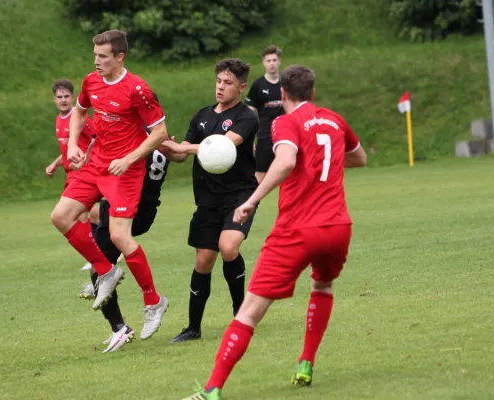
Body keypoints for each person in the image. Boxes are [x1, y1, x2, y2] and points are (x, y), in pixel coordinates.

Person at [181, 65, 367, 400]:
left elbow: (284, 161)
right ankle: (306, 363)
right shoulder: (334, 119)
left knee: (250, 309)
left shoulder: (285, 121)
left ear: (282, 94)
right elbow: (360, 158)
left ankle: (212, 390)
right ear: (311, 92)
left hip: (297, 230)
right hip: (338, 227)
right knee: (322, 285)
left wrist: (253, 199)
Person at [50, 29, 169, 341]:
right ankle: (105, 271)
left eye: (103, 56)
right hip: (96, 163)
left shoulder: (138, 90)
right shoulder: (91, 81)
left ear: (120, 57)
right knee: (60, 216)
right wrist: (74, 144)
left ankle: (153, 301)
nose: (96, 61)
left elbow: (159, 134)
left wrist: (129, 159)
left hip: (126, 171)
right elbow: (79, 112)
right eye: (95, 55)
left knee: (118, 235)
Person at [159, 58, 259, 344]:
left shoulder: (247, 117)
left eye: (228, 83)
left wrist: (184, 147)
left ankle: (241, 314)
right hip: (207, 199)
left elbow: (223, 146)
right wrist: (165, 146)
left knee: (228, 247)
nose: (221, 87)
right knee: (203, 260)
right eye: (218, 81)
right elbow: (181, 154)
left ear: (241, 87)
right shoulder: (202, 115)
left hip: (240, 196)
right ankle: (193, 328)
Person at [84, 146, 182, 352]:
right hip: (143, 208)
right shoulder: (158, 140)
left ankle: (120, 327)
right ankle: (121, 325)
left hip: (129, 204)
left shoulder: (133, 141)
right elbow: (177, 154)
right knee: (101, 266)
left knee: (100, 268)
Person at [46, 78, 98, 228]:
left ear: (73, 97)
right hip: (72, 175)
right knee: (78, 219)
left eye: (66, 96)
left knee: (77, 218)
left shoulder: (81, 118)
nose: (63, 100)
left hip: (85, 173)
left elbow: (98, 141)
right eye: (60, 97)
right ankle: (106, 241)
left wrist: (85, 160)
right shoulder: (58, 119)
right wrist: (54, 165)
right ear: (54, 99)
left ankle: (110, 238)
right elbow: (68, 150)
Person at [245, 45, 284, 183]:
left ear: (279, 62)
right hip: (265, 134)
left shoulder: (286, 82)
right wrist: (249, 137)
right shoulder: (258, 85)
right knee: (260, 174)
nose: (272, 63)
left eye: (274, 60)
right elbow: (249, 112)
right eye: (268, 61)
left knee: (290, 171)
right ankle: (251, 203)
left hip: (285, 133)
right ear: (263, 63)